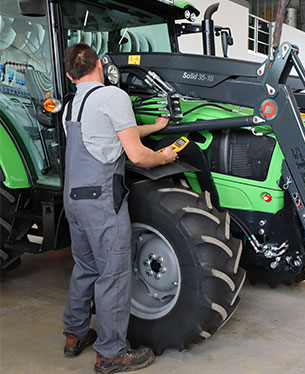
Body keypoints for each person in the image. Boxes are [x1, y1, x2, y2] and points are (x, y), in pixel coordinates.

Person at [61, 43, 177, 373]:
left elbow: (111, 133)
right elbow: (137, 155)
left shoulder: (73, 105)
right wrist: (164, 156)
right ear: (100, 64)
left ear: (71, 75)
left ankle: (74, 334)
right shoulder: (114, 96)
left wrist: (153, 127)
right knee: (113, 274)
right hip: (101, 201)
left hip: (73, 200)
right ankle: (111, 354)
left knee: (85, 268)